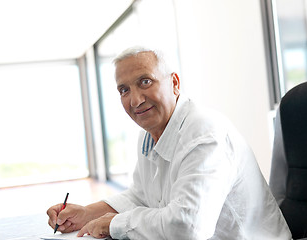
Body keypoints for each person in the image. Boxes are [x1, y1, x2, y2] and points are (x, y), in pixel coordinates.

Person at [47, 46, 291, 239]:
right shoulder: (149, 133)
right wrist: (87, 214)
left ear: (174, 83)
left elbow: (189, 227)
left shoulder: (204, 133)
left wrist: (114, 224)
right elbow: (142, 197)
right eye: (124, 90)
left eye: (145, 81)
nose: (135, 101)